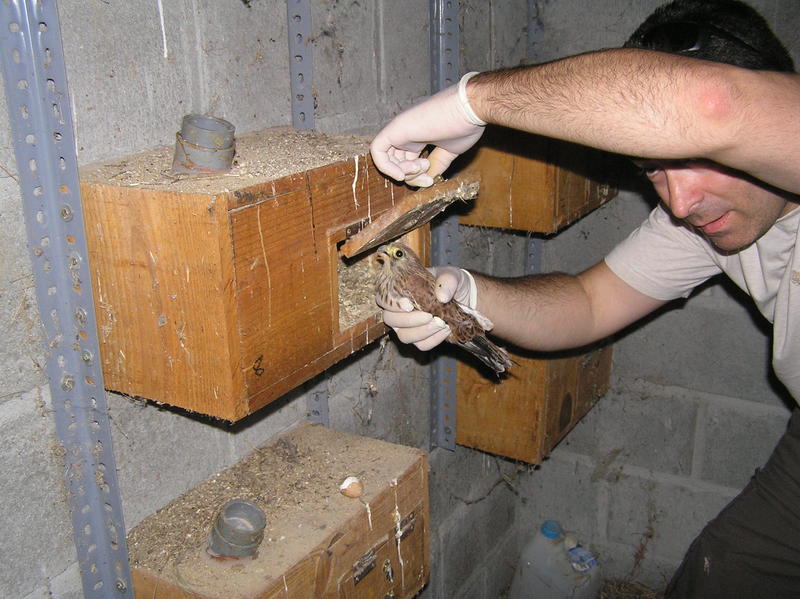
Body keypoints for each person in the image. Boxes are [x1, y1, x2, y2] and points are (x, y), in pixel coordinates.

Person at [369, 0, 800, 597]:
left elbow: (709, 105)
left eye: (703, 159)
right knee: (720, 577)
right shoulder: (711, 221)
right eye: (654, 170)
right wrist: (467, 292)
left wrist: (470, 101)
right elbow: (589, 303)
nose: (679, 201)